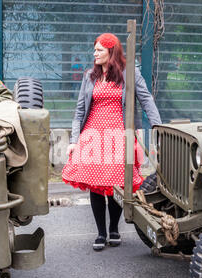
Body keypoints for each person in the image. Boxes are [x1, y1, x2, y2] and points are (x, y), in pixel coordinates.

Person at [62, 33, 162, 251]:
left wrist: (157, 128)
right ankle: (101, 233)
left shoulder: (130, 73)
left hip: (119, 135)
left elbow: (146, 100)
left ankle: (114, 229)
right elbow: (79, 110)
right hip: (93, 136)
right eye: (94, 49)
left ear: (111, 51)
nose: (94, 53)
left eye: (99, 50)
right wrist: (74, 140)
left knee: (116, 184)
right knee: (97, 186)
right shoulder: (90, 75)